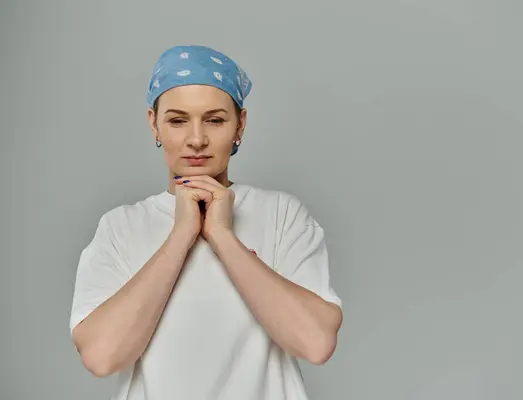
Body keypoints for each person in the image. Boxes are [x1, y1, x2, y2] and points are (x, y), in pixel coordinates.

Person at [68, 45, 343, 400]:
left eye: (214, 120)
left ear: (240, 124)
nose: (196, 140)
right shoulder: (121, 227)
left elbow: (316, 343)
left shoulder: (282, 215)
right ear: (154, 123)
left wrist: (222, 236)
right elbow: (102, 357)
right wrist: (181, 235)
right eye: (177, 120)